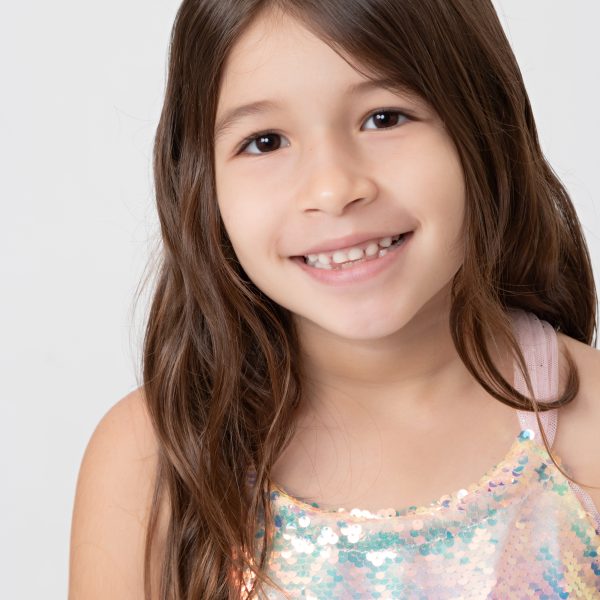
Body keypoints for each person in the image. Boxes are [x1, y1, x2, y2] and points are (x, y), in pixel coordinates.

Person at [69, 1, 600, 598]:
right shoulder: (151, 463)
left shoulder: (591, 428)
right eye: (265, 141)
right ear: (200, 182)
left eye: (384, 118)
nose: (333, 189)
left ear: (484, 122)